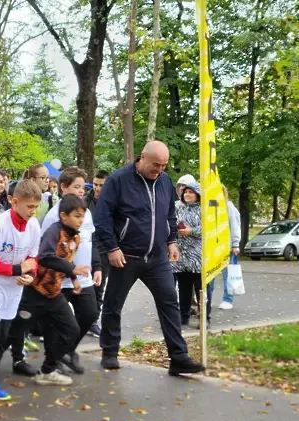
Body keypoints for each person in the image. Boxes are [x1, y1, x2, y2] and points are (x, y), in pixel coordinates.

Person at [94, 140, 204, 376]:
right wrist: (112, 248)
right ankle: (110, 352)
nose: (160, 170)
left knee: (169, 303)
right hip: (126, 256)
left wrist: (172, 240)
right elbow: (102, 217)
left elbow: (170, 215)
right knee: (113, 304)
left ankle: (178, 357)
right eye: (156, 165)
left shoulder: (164, 181)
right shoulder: (118, 180)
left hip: (157, 258)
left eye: (164, 165)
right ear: (142, 158)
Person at [0, 179, 42, 401]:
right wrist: (17, 268)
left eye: (36, 207)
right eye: (29, 207)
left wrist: (29, 275)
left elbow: (33, 257)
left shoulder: (34, 226)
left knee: (4, 335)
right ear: (14, 202)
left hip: (14, 289)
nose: (33, 212)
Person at [18, 195, 90, 386]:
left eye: (82, 216)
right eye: (76, 216)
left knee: (71, 331)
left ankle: (48, 370)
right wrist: (72, 270)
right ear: (63, 216)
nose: (80, 220)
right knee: (12, 332)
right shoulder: (53, 231)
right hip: (34, 292)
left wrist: (74, 278)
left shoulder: (75, 236)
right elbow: (45, 256)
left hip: (53, 293)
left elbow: (66, 260)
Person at [40, 167, 102, 375]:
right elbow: (47, 253)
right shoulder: (53, 216)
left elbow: (90, 242)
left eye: (83, 187)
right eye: (76, 187)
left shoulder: (87, 213)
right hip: (59, 279)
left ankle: (67, 350)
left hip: (83, 278)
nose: (81, 191)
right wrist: (69, 271)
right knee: (53, 324)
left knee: (89, 314)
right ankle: (53, 360)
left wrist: (97, 266)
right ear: (63, 188)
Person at [172, 181, 212, 326]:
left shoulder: (204, 209)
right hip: (182, 255)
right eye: (185, 192)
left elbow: (209, 228)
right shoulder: (179, 208)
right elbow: (171, 223)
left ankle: (204, 318)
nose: (187, 194)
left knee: (201, 288)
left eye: (191, 192)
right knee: (184, 288)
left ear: (198, 195)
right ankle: (183, 317)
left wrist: (192, 231)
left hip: (199, 255)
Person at [85, 169, 110, 337]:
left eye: (101, 185)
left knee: (99, 287)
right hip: (86, 249)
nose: (98, 188)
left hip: (105, 250)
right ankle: (82, 318)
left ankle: (93, 321)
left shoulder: (113, 201)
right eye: (95, 184)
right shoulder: (84, 201)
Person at [218, 185, 242, 310]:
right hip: (212, 247)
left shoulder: (228, 206)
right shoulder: (207, 206)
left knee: (228, 274)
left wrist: (235, 244)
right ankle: (207, 298)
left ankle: (228, 299)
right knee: (208, 277)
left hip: (226, 246)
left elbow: (235, 224)